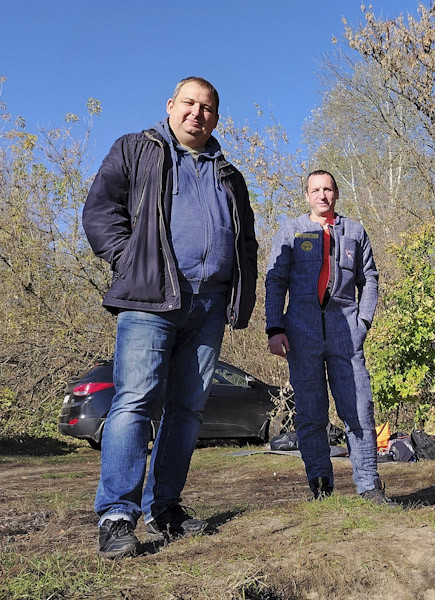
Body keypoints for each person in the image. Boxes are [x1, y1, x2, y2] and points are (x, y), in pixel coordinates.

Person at [83, 77, 258, 558]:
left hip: (208, 306)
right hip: (150, 300)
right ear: (170, 106)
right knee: (134, 403)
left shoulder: (230, 176)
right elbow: (99, 211)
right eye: (189, 103)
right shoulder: (136, 151)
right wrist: (128, 259)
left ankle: (166, 507)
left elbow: (245, 242)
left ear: (216, 119)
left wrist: (237, 294)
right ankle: (117, 515)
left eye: (207, 108)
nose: (197, 113)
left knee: (187, 410)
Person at [264, 170, 396, 505]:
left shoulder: (354, 231)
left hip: (345, 331)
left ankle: (368, 485)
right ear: (306, 195)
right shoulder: (291, 230)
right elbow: (275, 281)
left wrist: (363, 321)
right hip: (301, 331)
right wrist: (275, 328)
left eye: (328, 189)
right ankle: (320, 485)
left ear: (336, 193)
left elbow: (370, 279)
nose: (322, 195)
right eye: (315, 190)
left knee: (360, 409)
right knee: (311, 413)